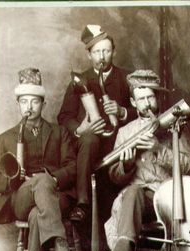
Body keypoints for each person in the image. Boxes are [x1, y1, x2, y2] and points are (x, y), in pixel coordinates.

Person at [0, 68, 76, 251]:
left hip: (53, 197)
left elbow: (72, 167)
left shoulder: (59, 132)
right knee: (38, 185)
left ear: (43, 103)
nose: (29, 106)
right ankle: (60, 242)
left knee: (37, 214)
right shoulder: (5, 139)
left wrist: (51, 178)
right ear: (18, 104)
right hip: (21, 197)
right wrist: (12, 180)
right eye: (24, 101)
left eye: (35, 101)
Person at [105, 69, 190, 251]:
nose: (147, 103)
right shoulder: (124, 132)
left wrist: (159, 150)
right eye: (141, 99)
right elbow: (114, 177)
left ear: (157, 98)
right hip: (138, 201)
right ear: (132, 102)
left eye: (150, 97)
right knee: (132, 191)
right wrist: (126, 166)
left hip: (169, 196)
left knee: (133, 193)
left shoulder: (176, 125)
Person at [58, 24, 137, 223]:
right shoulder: (80, 80)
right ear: (89, 55)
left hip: (119, 144)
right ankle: (83, 203)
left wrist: (122, 112)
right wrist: (79, 129)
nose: (102, 56)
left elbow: (146, 110)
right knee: (90, 138)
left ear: (114, 51)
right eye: (97, 52)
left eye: (106, 51)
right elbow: (64, 117)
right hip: (88, 146)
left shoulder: (127, 78)